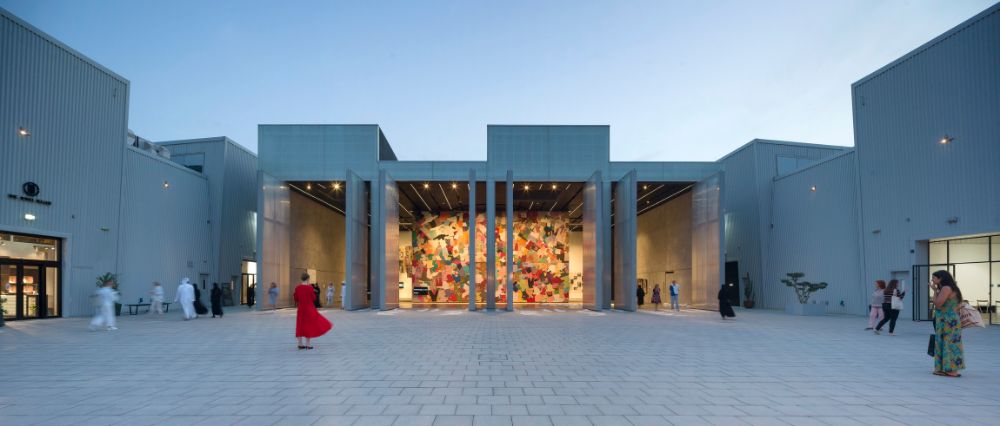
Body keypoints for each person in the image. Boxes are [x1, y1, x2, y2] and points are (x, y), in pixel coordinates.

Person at [931, 270, 964, 377]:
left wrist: (934, 292)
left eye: (934, 278)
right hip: (950, 319)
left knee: (948, 344)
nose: (932, 280)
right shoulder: (953, 288)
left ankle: (951, 370)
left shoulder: (946, 288)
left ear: (941, 278)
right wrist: (936, 290)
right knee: (946, 343)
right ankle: (942, 369)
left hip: (947, 320)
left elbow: (938, 304)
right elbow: (958, 304)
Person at [294, 272, 332, 349]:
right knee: (308, 325)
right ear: (308, 279)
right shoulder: (310, 288)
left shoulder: (297, 288)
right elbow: (313, 298)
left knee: (300, 325)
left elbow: (296, 298)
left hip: (301, 308)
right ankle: (308, 344)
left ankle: (300, 343)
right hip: (309, 308)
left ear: (301, 279)